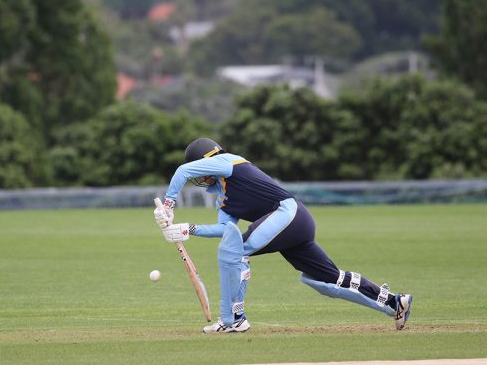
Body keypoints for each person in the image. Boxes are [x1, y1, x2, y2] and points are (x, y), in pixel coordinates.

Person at [154, 137, 412, 333]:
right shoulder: (223, 197)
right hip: (295, 222)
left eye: (199, 168)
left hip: (288, 214)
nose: (199, 177)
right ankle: (393, 302)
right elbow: (226, 230)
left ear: (207, 160)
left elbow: (182, 172)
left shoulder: (227, 161)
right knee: (325, 279)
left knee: (236, 251)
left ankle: (233, 319)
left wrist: (168, 205)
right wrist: (189, 229)